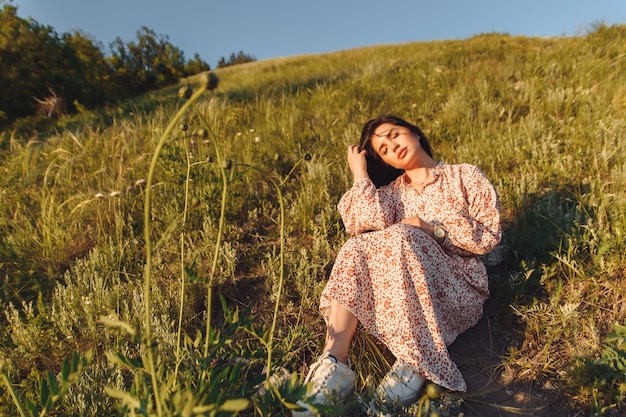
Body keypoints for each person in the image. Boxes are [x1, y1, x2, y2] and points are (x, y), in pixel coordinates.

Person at [293, 115, 502, 416]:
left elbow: (489, 234)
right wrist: (360, 175)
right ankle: (333, 364)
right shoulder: (391, 194)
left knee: (405, 233)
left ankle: (415, 358)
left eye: (395, 135)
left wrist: (432, 230)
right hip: (405, 290)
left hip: (458, 285)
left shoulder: (463, 176)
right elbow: (357, 223)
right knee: (356, 247)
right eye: (384, 149)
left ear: (414, 133)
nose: (393, 146)